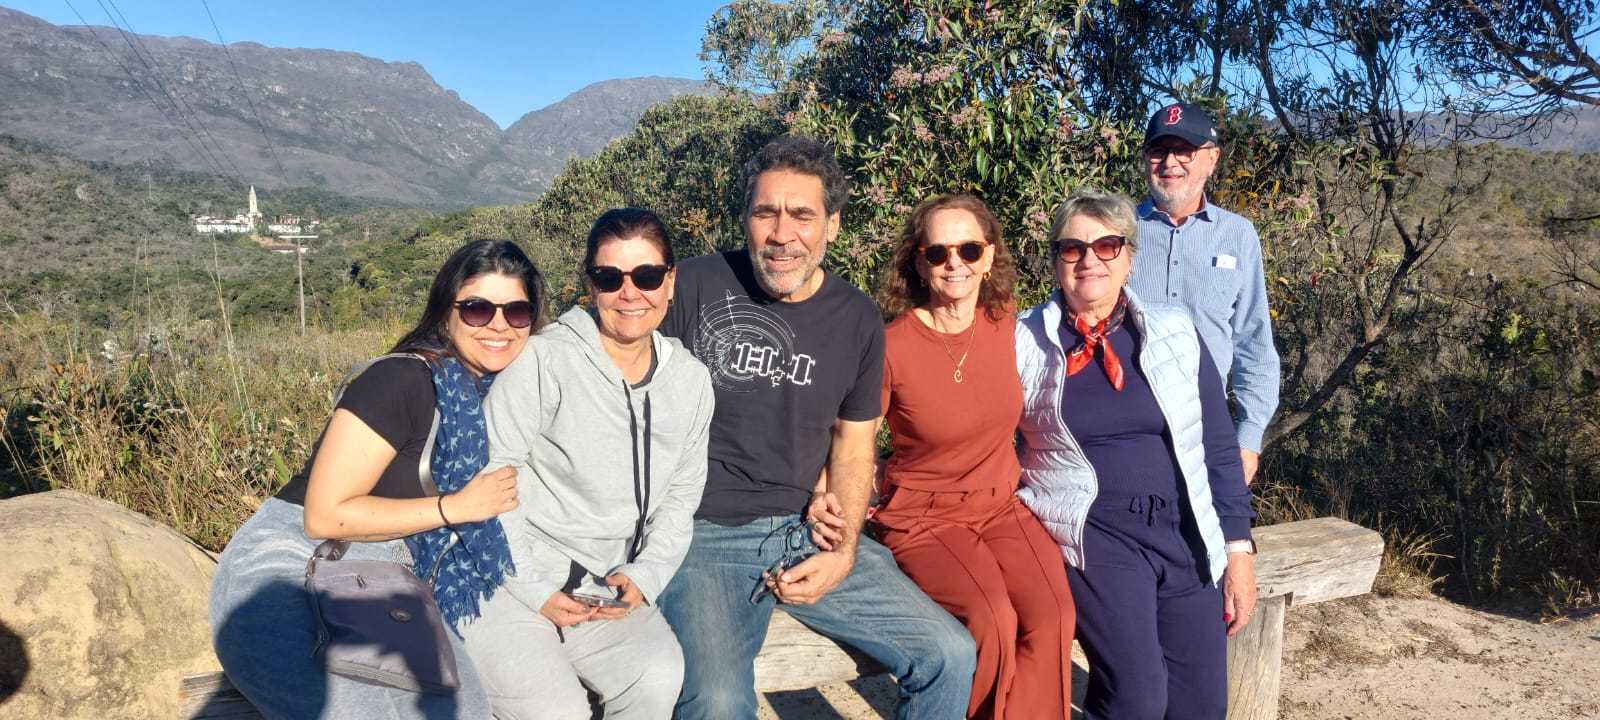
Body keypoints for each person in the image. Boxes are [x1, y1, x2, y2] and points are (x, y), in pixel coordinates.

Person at [656, 135, 976, 720]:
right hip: (704, 535)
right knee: (718, 701)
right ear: (745, 220)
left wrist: (845, 548)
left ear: (832, 225)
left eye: (802, 215)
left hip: (808, 531)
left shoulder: (856, 318)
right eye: (765, 213)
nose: (782, 234)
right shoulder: (690, 287)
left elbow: (854, 445)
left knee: (949, 655)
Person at [210, 239, 545, 720]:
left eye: (516, 311)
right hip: (299, 561)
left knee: (461, 710)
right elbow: (324, 515)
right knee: (357, 710)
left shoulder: (502, 396)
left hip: (389, 573)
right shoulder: (402, 380)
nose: (498, 325)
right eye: (477, 309)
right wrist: (456, 507)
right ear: (445, 311)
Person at [1015, 192, 1258, 719]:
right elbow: (983, 437)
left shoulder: (1175, 331)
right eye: (1072, 248)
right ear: (1055, 260)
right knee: (1137, 697)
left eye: (1107, 245)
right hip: (1096, 535)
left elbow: (1218, 447)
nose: (1089, 260)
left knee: (1201, 708)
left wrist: (1238, 551)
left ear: (1129, 257)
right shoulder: (1022, 343)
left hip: (1184, 533)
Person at [465, 208, 714, 719]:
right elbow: (491, 475)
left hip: (604, 585)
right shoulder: (544, 360)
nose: (629, 293)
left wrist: (648, 573)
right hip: (510, 578)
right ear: (590, 284)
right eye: (609, 277)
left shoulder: (690, 381)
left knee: (656, 674)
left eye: (647, 276)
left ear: (670, 282)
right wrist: (534, 588)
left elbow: (681, 495)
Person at [866, 193, 1076, 719]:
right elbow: (853, 438)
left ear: (989, 256)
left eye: (969, 249)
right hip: (925, 518)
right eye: (938, 253)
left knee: (1052, 614)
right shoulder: (891, 346)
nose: (954, 263)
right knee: (991, 620)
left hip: (1002, 504)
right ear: (918, 263)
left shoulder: (1009, 325)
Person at [1129, 102, 1280, 484]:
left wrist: (1248, 438)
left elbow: (1253, 342)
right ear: (1146, 159)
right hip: (1128, 427)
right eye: (1159, 150)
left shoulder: (1238, 235)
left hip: (1209, 431)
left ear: (1211, 159)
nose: (1170, 162)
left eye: (1184, 151)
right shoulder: (1117, 232)